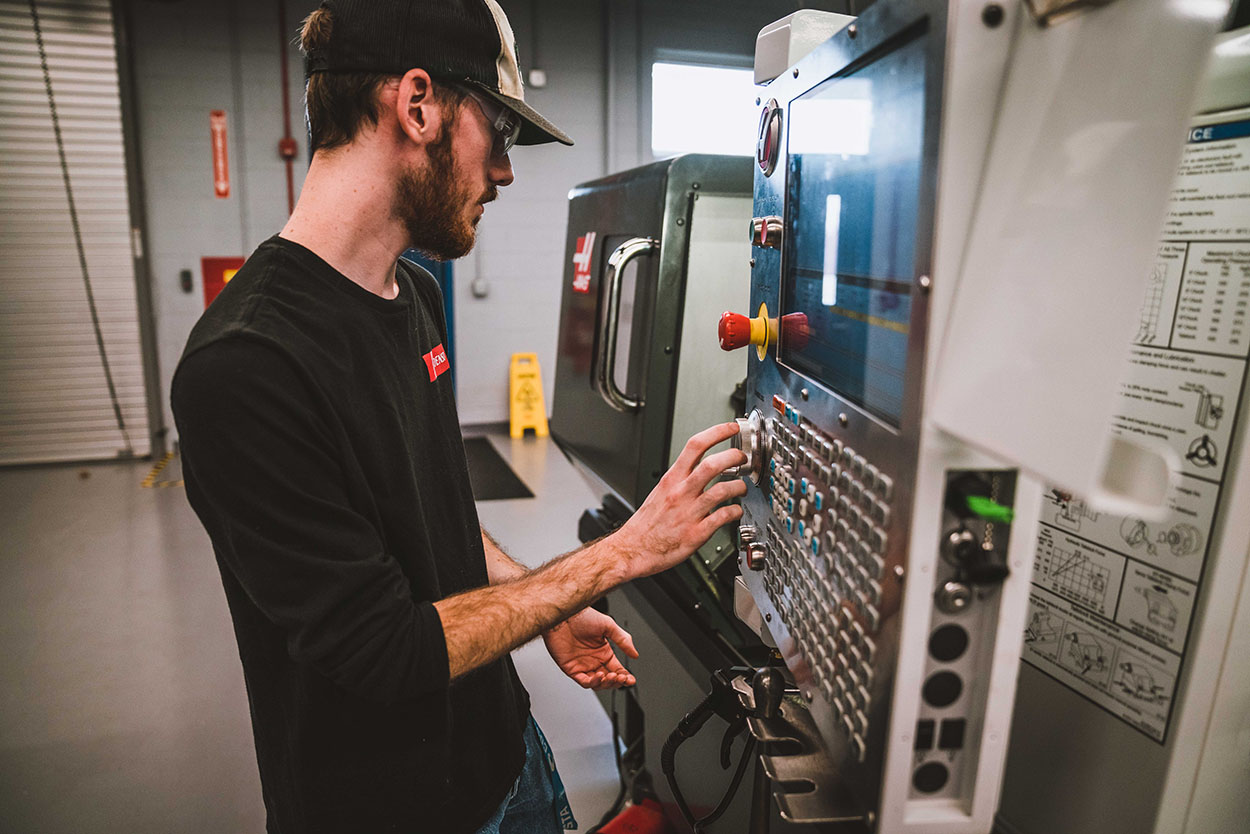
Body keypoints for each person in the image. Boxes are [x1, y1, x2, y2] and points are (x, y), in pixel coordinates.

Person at [170, 2, 746, 832]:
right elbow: (386, 652)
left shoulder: (418, 299)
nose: (506, 173)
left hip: (510, 756)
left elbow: (435, 518)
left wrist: (537, 606)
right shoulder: (248, 367)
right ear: (416, 106)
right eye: (499, 135)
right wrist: (621, 554)